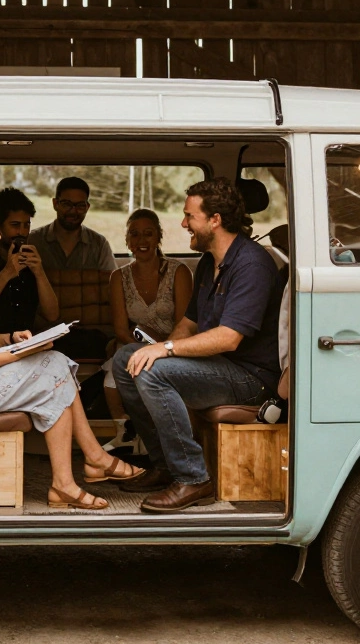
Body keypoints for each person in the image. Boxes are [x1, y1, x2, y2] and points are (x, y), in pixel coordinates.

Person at [0, 200, 143, 510]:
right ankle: (87, 464)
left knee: (54, 367)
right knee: (52, 368)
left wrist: (9, 338)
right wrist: (18, 355)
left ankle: (70, 479)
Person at [111, 178, 284, 513]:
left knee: (153, 372)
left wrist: (165, 351)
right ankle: (163, 465)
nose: (183, 223)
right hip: (220, 366)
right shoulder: (209, 262)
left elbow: (229, 337)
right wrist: (157, 346)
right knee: (125, 359)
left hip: (252, 378)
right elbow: (188, 324)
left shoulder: (251, 264)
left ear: (214, 220)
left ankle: (192, 477)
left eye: (190, 216)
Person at [100, 209, 193, 449]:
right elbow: (121, 329)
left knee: (155, 378)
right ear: (127, 241)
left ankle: (161, 438)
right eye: (135, 235)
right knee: (111, 382)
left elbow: (185, 324)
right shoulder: (118, 277)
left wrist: (161, 350)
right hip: (132, 344)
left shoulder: (179, 272)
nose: (142, 241)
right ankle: (127, 436)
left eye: (148, 234)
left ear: (159, 237)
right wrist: (142, 350)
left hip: (173, 345)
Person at [0, 187, 59, 334]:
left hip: (26, 344)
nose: (22, 232)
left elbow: (52, 315)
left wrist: (39, 273)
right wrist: (7, 273)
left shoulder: (30, 261)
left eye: (27, 225)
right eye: (15, 225)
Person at [26, 177, 117, 272]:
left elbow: (111, 283)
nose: (73, 211)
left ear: (87, 207)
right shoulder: (34, 241)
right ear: (55, 204)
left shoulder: (99, 245)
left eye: (80, 205)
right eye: (67, 204)